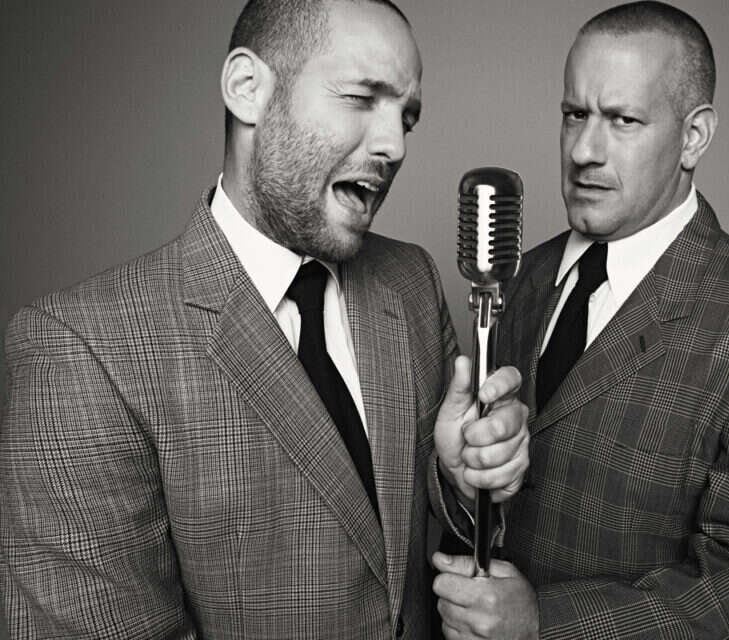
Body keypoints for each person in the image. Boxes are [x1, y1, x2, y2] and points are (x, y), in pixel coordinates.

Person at [0, 1, 530, 638]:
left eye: (406, 118)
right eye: (361, 97)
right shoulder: (79, 350)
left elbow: (408, 538)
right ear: (247, 88)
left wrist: (459, 480)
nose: (394, 145)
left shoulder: (410, 280)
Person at [432, 2, 729, 638]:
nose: (584, 150)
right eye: (575, 114)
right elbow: (492, 509)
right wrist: (461, 486)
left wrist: (544, 623)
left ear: (694, 136)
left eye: (623, 120)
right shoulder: (514, 279)